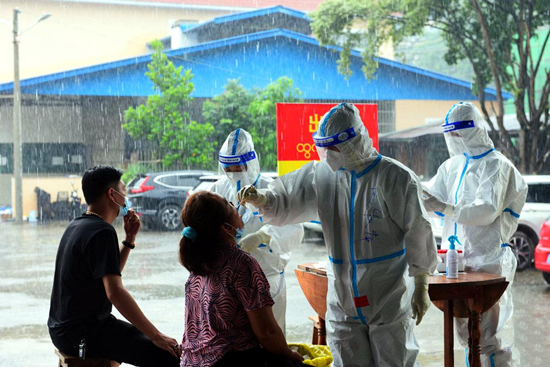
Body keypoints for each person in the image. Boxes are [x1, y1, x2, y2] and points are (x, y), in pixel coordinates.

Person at [238, 103, 438, 367]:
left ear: (354, 141)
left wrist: (422, 283)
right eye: (324, 148)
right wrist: (263, 198)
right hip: (342, 298)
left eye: (333, 148)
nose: (328, 155)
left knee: (395, 361)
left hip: (388, 294)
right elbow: (288, 200)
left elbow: (419, 231)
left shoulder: (395, 177)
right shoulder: (322, 176)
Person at [423, 102, 528, 367]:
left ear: (473, 131)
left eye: (458, 133)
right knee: (464, 334)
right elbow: (429, 197)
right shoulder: (452, 166)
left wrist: (444, 207)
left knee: (489, 337)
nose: (454, 139)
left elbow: (486, 211)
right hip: (456, 264)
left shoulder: (496, 166)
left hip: (488, 263)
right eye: (451, 134)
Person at [48, 165, 180, 367]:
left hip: (63, 330)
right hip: (85, 334)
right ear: (112, 194)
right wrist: (157, 336)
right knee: (170, 356)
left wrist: (129, 239)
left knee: (141, 339)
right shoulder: (102, 231)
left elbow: (107, 272)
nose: (126, 198)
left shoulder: (77, 224)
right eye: (124, 191)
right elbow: (115, 292)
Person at [178, 191, 306, 367]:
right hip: (228, 361)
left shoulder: (198, 262)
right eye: (230, 204)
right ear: (226, 227)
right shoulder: (241, 263)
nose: (236, 206)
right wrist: (290, 355)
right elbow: (267, 332)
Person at [210, 128, 304, 332]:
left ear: (250, 163)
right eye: (228, 168)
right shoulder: (218, 189)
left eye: (237, 168)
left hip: (266, 277)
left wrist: (263, 237)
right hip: (228, 279)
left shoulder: (272, 190)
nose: (232, 174)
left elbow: (295, 228)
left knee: (270, 337)